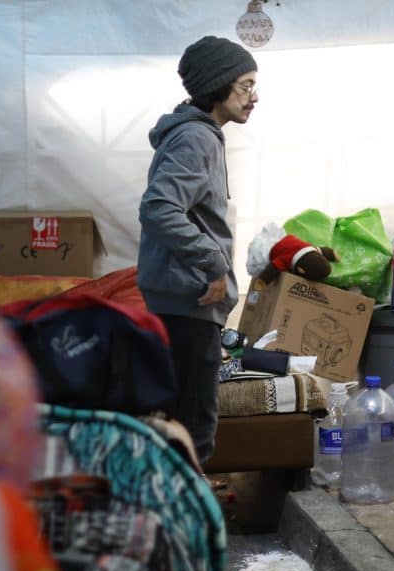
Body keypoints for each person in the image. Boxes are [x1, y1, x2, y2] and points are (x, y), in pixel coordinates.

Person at [137, 35, 258, 466]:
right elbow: (159, 208)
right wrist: (213, 263)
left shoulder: (197, 135)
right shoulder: (196, 139)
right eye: (245, 85)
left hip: (182, 301)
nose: (254, 97)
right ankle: (188, 509)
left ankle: (173, 504)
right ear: (217, 85)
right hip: (189, 304)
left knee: (176, 429)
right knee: (193, 434)